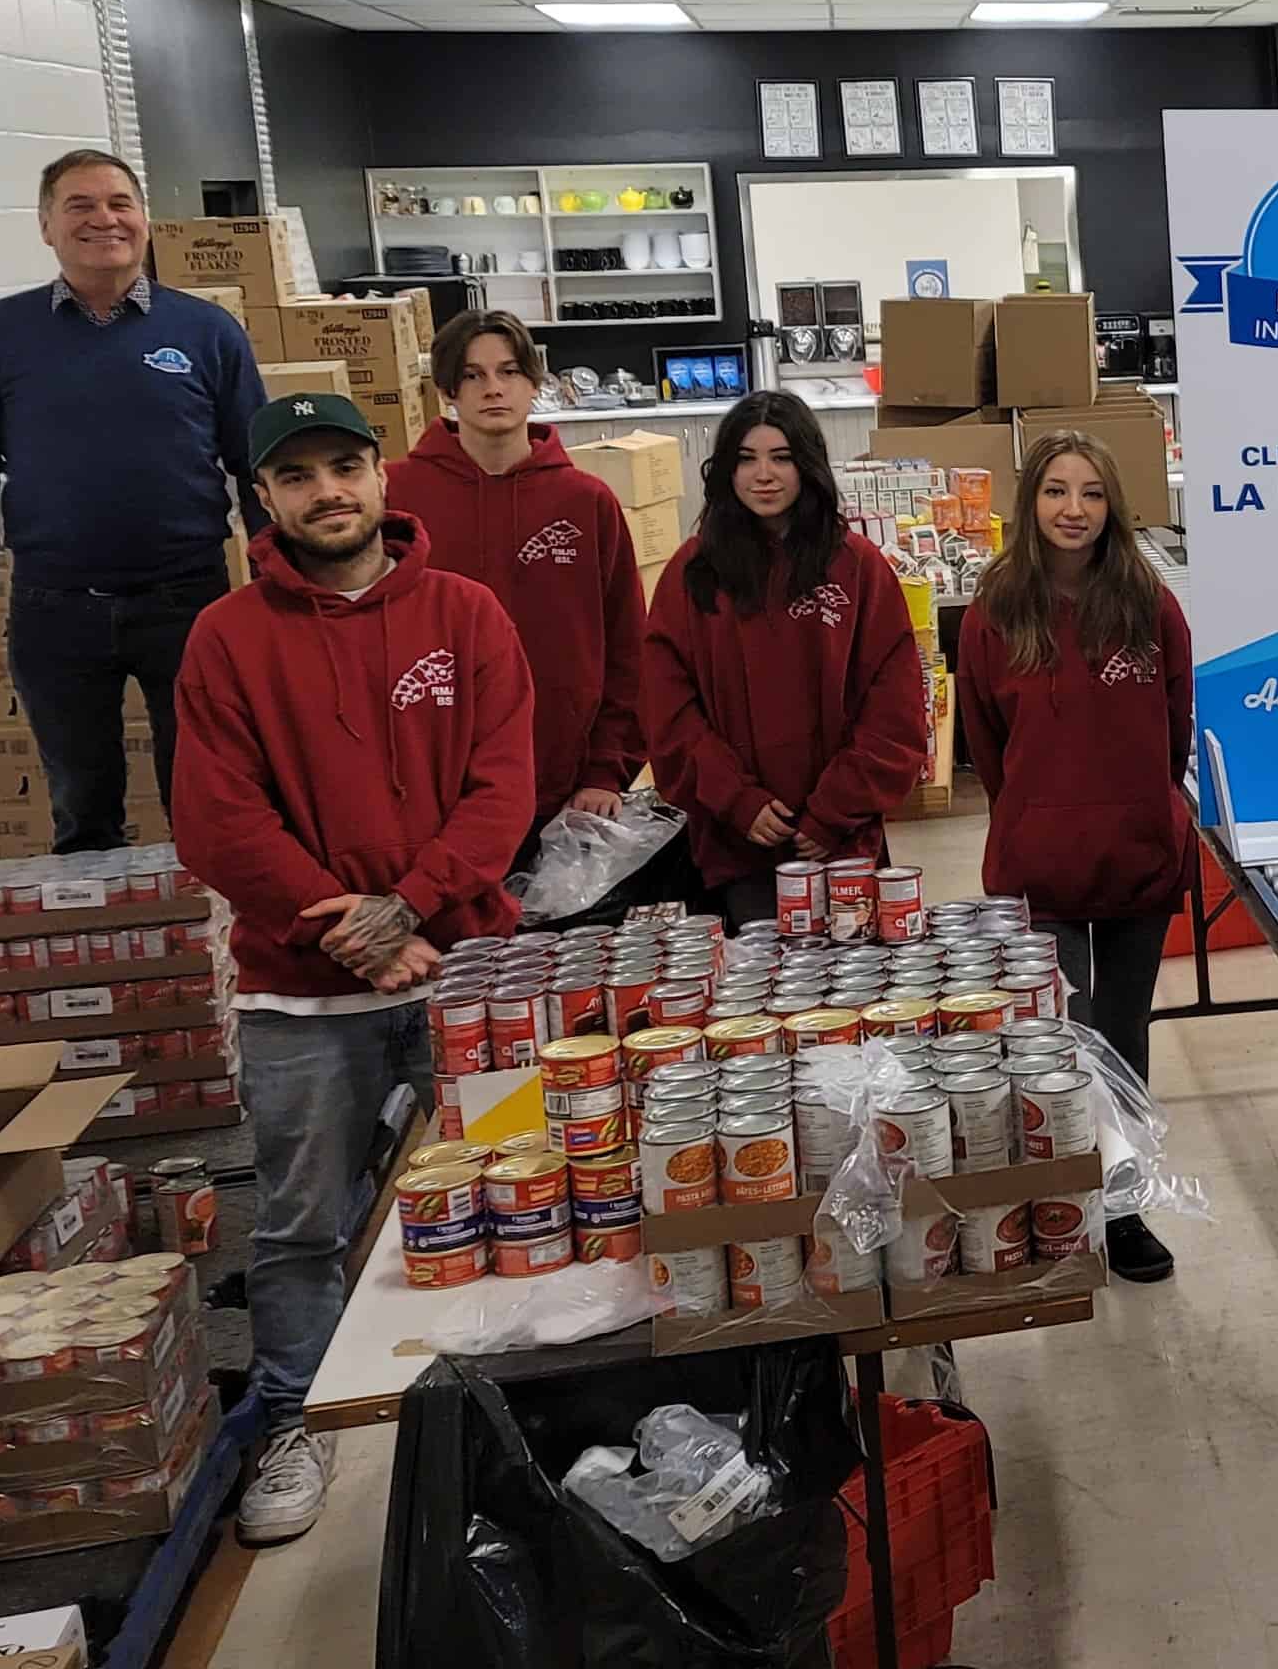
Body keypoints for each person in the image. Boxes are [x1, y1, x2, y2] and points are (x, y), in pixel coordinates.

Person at [171, 393, 536, 1543]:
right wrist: (352, 930)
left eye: (344, 465)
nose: (326, 491)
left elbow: (501, 788)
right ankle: (299, 1416)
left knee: (518, 1184)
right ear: (263, 498)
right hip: (300, 992)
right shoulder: (226, 636)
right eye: (298, 476)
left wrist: (409, 903)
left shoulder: (466, 614)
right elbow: (219, 818)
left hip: (464, 975)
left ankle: (524, 1405)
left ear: (382, 476)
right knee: (300, 1222)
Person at [0, 148, 266, 852]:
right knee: (82, 808)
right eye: (79, 206)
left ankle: (211, 924)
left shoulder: (207, 331)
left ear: (145, 219)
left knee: (207, 803)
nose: (104, 219)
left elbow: (258, 468)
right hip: (54, 607)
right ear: (46, 226)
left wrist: (281, 586)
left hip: (190, 602)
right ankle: (102, 923)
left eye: (120, 203)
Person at [956, 429, 1189, 1284]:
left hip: (1136, 855)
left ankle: (1122, 1209)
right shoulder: (994, 610)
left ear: (1112, 506)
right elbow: (985, 741)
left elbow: (1174, 727)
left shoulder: (1148, 604)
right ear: (1031, 502)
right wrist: (1031, 811)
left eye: (1091, 493)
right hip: (1038, 863)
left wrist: (1143, 807)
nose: (1073, 509)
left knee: (1123, 1040)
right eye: (1056, 490)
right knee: (1063, 1043)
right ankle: (1063, 1206)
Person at [642, 393, 928, 929]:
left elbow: (896, 708)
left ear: (808, 465)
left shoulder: (858, 568)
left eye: (782, 457)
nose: (764, 475)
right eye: (746, 459)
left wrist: (834, 809)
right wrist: (735, 799)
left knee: (856, 979)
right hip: (737, 848)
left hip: (844, 846)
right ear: (726, 470)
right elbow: (667, 709)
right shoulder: (693, 573)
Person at [385, 310, 649, 847]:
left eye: (508, 372)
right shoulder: (396, 496)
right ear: (447, 391)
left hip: (562, 784)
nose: (493, 389)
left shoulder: (585, 501)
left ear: (533, 383)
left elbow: (628, 645)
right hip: (427, 788)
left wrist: (607, 769)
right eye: (473, 375)